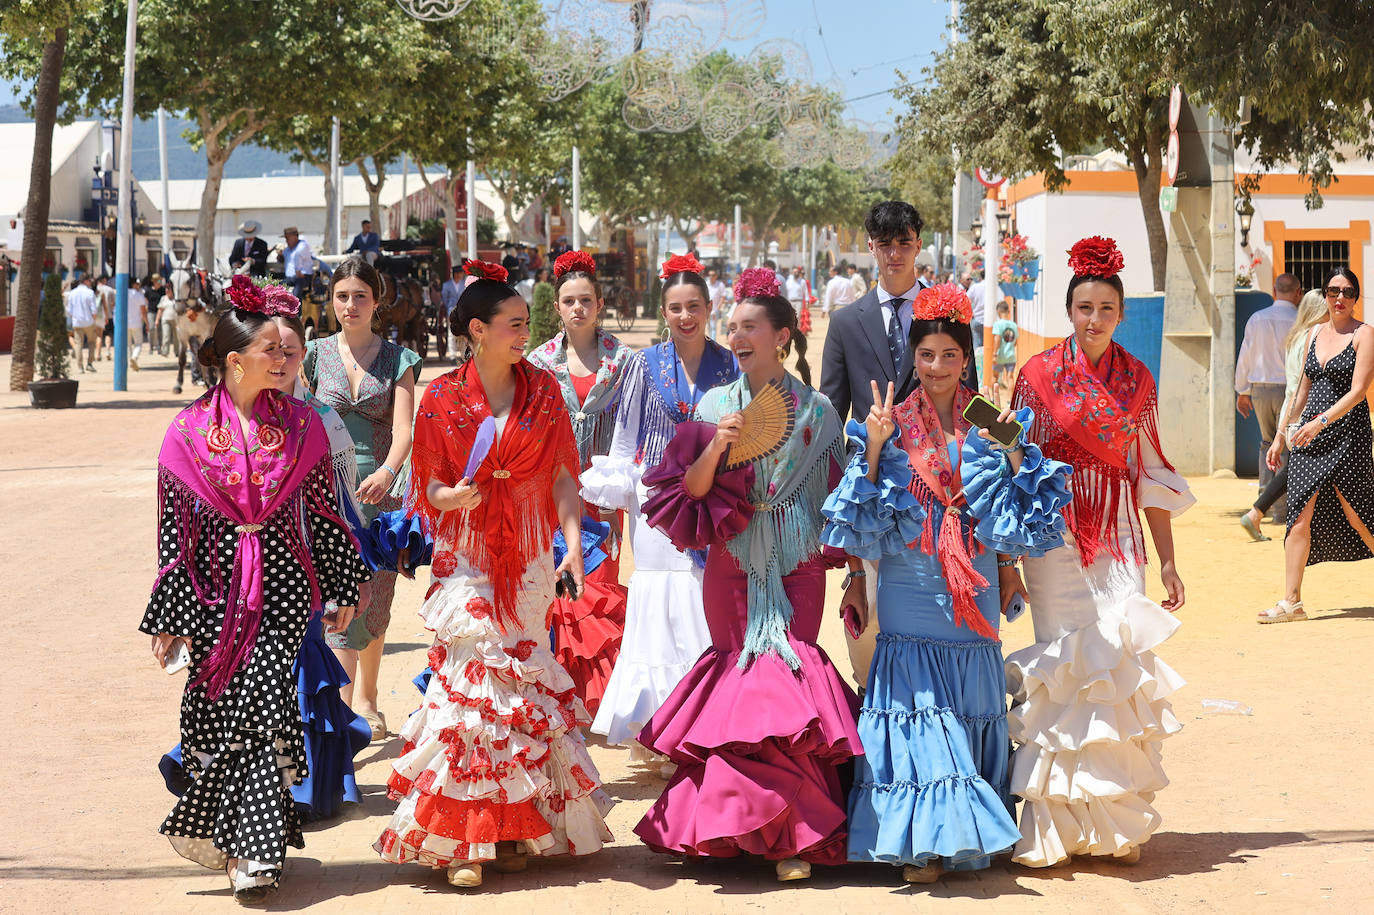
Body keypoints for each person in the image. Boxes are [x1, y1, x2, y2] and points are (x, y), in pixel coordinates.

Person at [822, 283, 1072, 883]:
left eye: (950, 356)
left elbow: (1017, 506)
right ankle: (925, 843)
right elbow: (862, 515)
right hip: (910, 583)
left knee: (965, 706)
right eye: (926, 355)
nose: (936, 368)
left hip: (977, 581)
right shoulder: (889, 420)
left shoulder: (990, 419)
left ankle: (958, 831)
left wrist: (1017, 455)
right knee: (919, 709)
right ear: (914, 356)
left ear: (967, 358)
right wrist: (876, 448)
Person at [376, 264, 613, 889]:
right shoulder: (442, 398)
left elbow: (565, 474)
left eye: (526, 324)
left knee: (521, 687)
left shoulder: (544, 392)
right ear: (477, 331)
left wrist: (569, 545)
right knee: (474, 685)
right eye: (514, 324)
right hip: (466, 558)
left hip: (534, 558)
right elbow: (425, 486)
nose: (524, 333)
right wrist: (447, 500)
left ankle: (513, 832)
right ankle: (462, 839)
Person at [140, 281, 369, 903]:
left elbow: (324, 511)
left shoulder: (302, 425)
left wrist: (344, 581)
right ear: (235, 358)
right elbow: (175, 531)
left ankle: (255, 852)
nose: (284, 358)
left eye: (288, 350)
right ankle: (238, 836)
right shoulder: (186, 430)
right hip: (211, 589)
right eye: (271, 349)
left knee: (264, 710)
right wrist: (171, 616)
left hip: (284, 586)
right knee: (217, 716)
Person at [633, 268, 860, 883]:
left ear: (781, 336)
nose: (735, 336)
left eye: (748, 327)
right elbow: (693, 491)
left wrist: (859, 576)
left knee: (787, 684)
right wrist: (716, 445)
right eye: (730, 327)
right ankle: (738, 826)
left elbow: (839, 500)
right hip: (731, 564)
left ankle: (793, 836)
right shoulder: (713, 405)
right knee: (740, 682)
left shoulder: (817, 413)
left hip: (797, 564)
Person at [1007, 236, 1193, 867]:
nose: (1093, 320)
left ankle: (1116, 824)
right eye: (1083, 308)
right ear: (1069, 311)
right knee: (1063, 668)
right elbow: (1011, 468)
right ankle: (1056, 826)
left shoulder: (1138, 381)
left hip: (1117, 536)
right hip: (1053, 537)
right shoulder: (1035, 378)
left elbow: (1151, 472)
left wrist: (1166, 558)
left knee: (1114, 668)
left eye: (1105, 309)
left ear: (1120, 314)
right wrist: (1008, 557)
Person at [581, 254, 738, 763]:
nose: (685, 316)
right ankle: (655, 732)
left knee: (703, 600)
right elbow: (625, 436)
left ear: (710, 308)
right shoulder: (643, 365)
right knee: (656, 606)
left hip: (716, 497)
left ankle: (704, 723)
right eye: (675, 308)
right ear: (663, 311)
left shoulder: (730, 362)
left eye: (694, 306)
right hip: (656, 503)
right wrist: (617, 491)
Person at [304, 256, 421, 740]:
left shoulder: (399, 359)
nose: (350, 305)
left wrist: (390, 472)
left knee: (375, 600)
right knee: (333, 598)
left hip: (380, 491)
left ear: (377, 302)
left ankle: (369, 698)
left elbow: (405, 428)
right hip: (326, 493)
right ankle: (342, 709)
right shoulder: (312, 353)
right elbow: (304, 421)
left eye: (360, 296)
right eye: (341, 296)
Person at [820, 199, 924, 689]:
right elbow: (829, 414)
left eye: (904, 242)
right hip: (871, 486)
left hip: (933, 485)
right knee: (872, 616)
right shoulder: (844, 323)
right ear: (870, 249)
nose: (895, 254)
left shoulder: (945, 312)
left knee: (932, 607)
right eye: (886, 244)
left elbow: (966, 395)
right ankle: (873, 705)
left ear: (919, 244)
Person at [527, 251, 633, 717]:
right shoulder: (537, 362)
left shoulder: (626, 362)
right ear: (557, 307)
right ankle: (564, 694)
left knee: (600, 588)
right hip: (553, 489)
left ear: (600, 303)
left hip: (607, 493)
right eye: (568, 301)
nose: (577, 309)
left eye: (585, 300)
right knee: (556, 586)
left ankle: (597, 697)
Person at [1256, 266, 1374, 623]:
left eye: (1348, 292)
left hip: (1347, 434)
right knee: (1298, 515)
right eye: (1333, 290)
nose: (1340, 298)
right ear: (1324, 295)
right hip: (1308, 436)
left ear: (1355, 298)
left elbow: (1358, 392)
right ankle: (1292, 601)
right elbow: (1301, 392)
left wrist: (1320, 421)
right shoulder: (1312, 335)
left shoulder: (1364, 334)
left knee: (1357, 512)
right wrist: (1281, 435)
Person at [1240, 288, 1329, 541]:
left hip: (1283, 406)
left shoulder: (1295, 337)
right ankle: (1262, 512)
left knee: (1291, 465)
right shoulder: (1314, 339)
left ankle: (1260, 512)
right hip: (1306, 413)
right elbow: (1301, 386)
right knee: (1297, 467)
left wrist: (1281, 433)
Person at [1236, 272, 1300, 516]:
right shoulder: (1300, 320)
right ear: (1298, 293)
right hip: (1290, 389)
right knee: (1286, 446)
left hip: (1260, 388)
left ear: (1274, 292)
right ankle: (1282, 509)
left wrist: (1243, 391)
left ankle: (1263, 501)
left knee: (1267, 443)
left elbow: (1246, 355)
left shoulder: (1257, 318)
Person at [65, 273, 101, 372]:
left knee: (78, 344)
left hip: (77, 322)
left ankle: (80, 367)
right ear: (86, 281)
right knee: (92, 343)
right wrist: (94, 320)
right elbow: (94, 310)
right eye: (89, 281)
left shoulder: (72, 293)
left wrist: (75, 317)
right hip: (89, 322)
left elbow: (69, 310)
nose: (90, 283)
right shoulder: (90, 293)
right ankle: (89, 363)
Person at [991, 300, 1018, 394]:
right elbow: (1015, 342)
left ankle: (993, 399)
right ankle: (1011, 402)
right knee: (1010, 377)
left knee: (995, 377)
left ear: (998, 311)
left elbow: (997, 339)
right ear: (1008, 311)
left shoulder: (998, 324)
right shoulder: (1014, 325)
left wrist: (994, 354)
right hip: (1011, 355)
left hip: (1000, 356)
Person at [282, 227, 315, 304]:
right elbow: (285, 257)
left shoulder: (303, 245)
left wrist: (298, 271)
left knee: (298, 285)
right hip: (291, 277)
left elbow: (298, 255)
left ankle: (295, 309)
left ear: (295, 237)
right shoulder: (288, 249)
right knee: (278, 284)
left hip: (303, 276)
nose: (286, 240)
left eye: (288, 238)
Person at [96, 274, 115, 361]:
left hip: (97, 316)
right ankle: (107, 351)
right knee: (108, 334)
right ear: (104, 280)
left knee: (98, 335)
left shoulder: (94, 289)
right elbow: (113, 303)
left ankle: (98, 354)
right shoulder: (109, 289)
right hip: (108, 316)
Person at [706, 267, 728, 339]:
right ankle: (710, 341)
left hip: (715, 309)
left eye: (713, 275)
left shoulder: (720, 284)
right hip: (706, 308)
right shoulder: (706, 284)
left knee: (713, 327)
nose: (711, 277)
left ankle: (713, 343)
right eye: (710, 275)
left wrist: (718, 308)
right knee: (708, 326)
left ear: (716, 276)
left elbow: (723, 296)